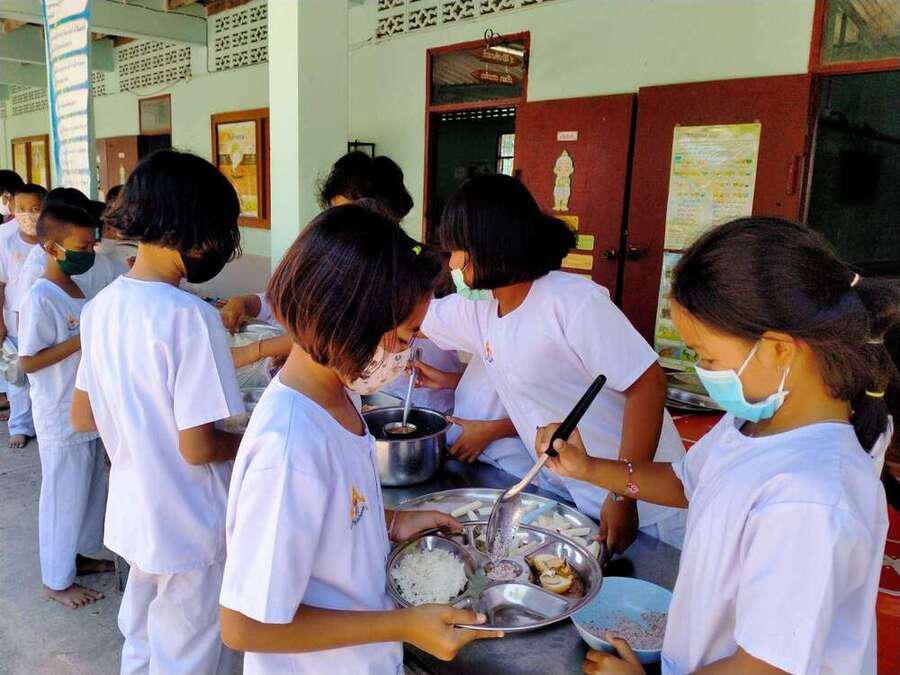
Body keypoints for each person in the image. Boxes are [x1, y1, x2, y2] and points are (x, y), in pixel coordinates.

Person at [537, 217, 895, 675]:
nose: (701, 370)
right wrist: (587, 468)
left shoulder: (809, 498)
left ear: (778, 349)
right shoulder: (753, 419)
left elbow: (766, 666)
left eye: (706, 356)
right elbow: (688, 484)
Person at [218, 204, 503, 674]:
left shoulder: (339, 396)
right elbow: (244, 626)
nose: (407, 355)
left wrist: (390, 522)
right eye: (405, 338)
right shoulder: (290, 452)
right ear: (351, 323)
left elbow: (329, 513)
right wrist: (402, 625)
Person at [422, 175, 687, 552]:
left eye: (456, 250)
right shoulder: (483, 309)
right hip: (573, 493)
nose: (451, 263)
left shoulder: (572, 303)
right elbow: (415, 318)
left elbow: (648, 385)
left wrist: (623, 494)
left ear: (487, 245)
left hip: (646, 504)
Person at [71, 150, 245, 675]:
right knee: (191, 654)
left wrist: (139, 427)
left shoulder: (101, 307)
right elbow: (199, 447)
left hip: (135, 514)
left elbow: (83, 416)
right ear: (194, 227)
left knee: (143, 639)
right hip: (189, 521)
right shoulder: (190, 316)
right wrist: (251, 439)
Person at [18, 205, 114, 609]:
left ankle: (78, 556)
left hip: (85, 409)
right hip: (58, 412)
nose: (89, 252)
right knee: (63, 495)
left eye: (92, 244)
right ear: (52, 248)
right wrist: (83, 338)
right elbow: (28, 361)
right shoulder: (41, 296)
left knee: (88, 492)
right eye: (82, 246)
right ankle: (56, 581)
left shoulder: (75, 287)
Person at [220, 152, 414, 334]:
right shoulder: (331, 256)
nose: (340, 225)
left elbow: (339, 338)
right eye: (335, 214)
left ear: (385, 215)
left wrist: (255, 351)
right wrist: (245, 303)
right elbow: (289, 301)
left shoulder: (404, 274)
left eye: (351, 215)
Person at [16, 189, 126, 318]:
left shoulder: (84, 281)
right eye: (83, 247)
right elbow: (23, 316)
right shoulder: (37, 281)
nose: (90, 252)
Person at [1, 183, 46, 448]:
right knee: (17, 379)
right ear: (13, 209)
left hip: (45, 323)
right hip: (13, 324)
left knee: (44, 377)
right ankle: (19, 425)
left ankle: (41, 422)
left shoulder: (50, 243)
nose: (28, 214)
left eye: (35, 208)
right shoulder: (6, 243)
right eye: (22, 208)